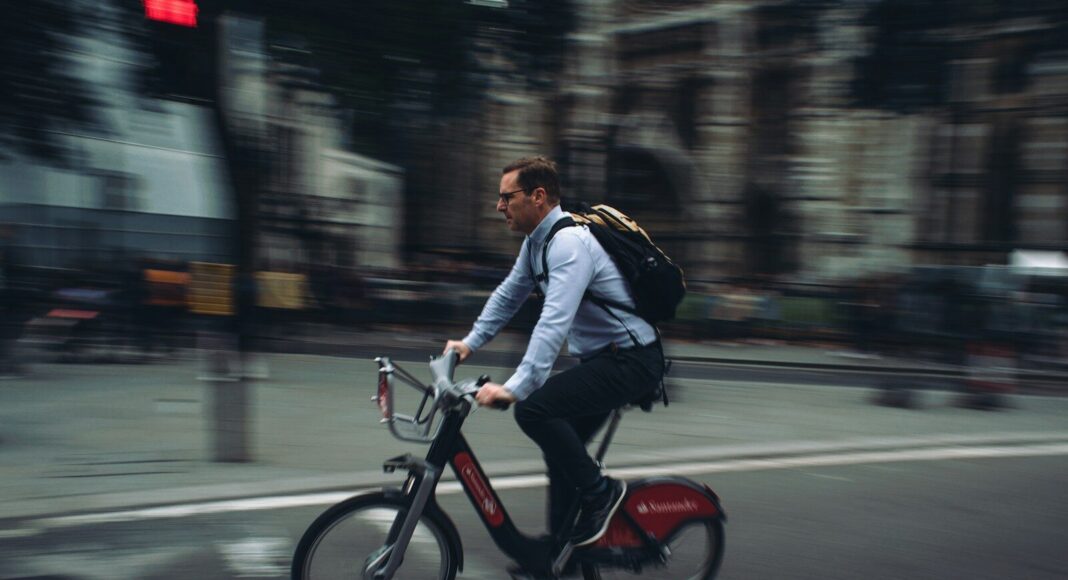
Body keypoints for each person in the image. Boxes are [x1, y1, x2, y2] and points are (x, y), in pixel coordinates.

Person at [443, 156, 664, 554]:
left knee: (533, 410)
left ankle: (602, 493)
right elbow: (509, 295)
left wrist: (516, 387)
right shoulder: (537, 244)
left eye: (506, 197)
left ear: (538, 196)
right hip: (606, 360)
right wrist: (469, 342)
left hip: (632, 360)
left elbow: (553, 322)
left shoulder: (569, 244)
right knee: (561, 450)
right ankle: (560, 551)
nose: (499, 206)